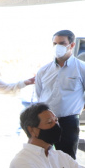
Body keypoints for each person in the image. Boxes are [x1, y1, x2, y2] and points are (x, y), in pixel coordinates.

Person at [35, 30, 85, 158]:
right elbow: (39, 94)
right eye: (55, 43)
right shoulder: (44, 70)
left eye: (62, 43)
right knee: (42, 158)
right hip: (44, 121)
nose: (57, 47)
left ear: (72, 45)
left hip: (68, 122)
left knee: (67, 160)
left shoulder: (81, 68)